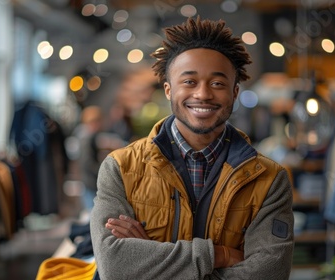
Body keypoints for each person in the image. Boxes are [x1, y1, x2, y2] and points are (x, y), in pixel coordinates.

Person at [90, 17, 294, 279]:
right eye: (189, 82)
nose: (203, 94)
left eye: (218, 83)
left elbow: (270, 273)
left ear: (234, 92)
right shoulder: (120, 167)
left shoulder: (269, 179)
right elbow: (115, 266)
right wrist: (219, 255)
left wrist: (151, 260)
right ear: (168, 89)